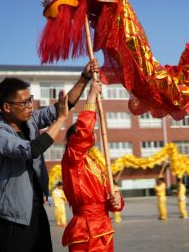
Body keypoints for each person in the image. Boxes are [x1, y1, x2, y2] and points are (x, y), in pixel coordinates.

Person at [0, 59, 98, 252]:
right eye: (24, 102)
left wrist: (84, 78)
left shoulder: (30, 120)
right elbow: (31, 150)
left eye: (31, 99)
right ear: (7, 107)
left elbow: (63, 105)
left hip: (36, 207)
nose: (30, 106)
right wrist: (62, 119)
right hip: (14, 216)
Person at [61, 80, 124, 252]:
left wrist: (116, 200)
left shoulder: (93, 162)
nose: (92, 134)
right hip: (86, 230)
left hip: (103, 228)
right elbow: (83, 133)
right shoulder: (73, 158)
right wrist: (91, 95)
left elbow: (109, 199)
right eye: (88, 132)